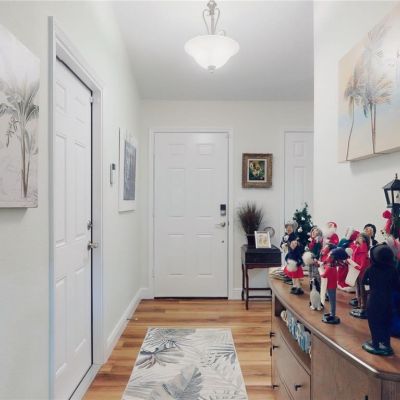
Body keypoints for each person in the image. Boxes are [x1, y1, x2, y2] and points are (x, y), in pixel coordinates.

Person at [362, 244, 400, 356]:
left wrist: (369, 290)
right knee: (386, 322)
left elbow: (364, 282)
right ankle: (386, 343)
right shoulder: (393, 269)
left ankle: (376, 343)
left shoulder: (370, 269)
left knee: (374, 322)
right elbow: (397, 285)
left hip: (374, 299)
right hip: (388, 300)